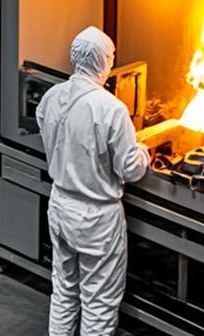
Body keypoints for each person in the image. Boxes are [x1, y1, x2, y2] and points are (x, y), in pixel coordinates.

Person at [36, 26, 150, 336]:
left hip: (60, 205)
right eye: (110, 57)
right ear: (103, 61)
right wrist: (143, 151)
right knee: (99, 303)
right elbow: (130, 169)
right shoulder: (111, 109)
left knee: (63, 291)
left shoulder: (51, 97)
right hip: (97, 218)